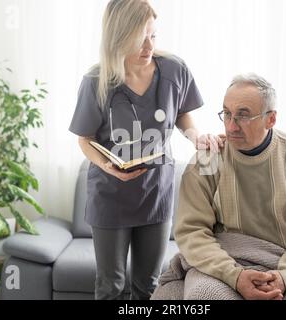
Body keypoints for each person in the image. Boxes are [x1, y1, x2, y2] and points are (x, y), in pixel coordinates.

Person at [69, 0, 223, 300]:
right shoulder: (95, 81)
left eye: (153, 35)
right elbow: (85, 139)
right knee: (110, 286)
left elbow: (181, 114)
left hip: (156, 193)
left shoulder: (174, 69)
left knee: (149, 285)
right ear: (118, 36)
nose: (148, 46)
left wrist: (196, 137)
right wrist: (108, 167)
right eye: (140, 38)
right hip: (109, 196)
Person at [173, 73, 286, 300]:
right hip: (224, 264)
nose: (231, 126)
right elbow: (192, 232)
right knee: (205, 294)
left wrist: (285, 276)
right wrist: (235, 276)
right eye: (227, 114)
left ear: (270, 119)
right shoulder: (205, 161)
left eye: (243, 116)